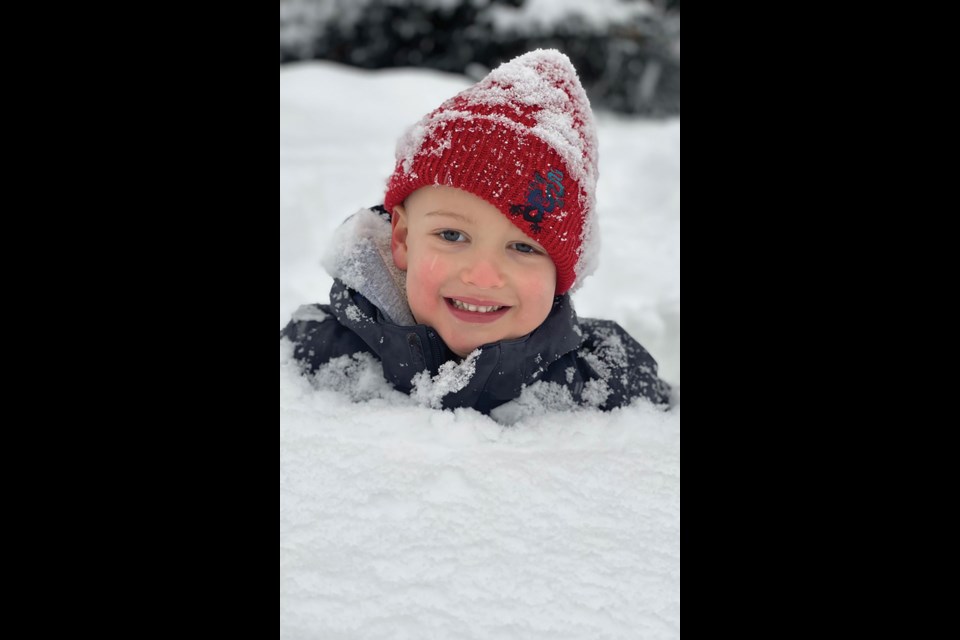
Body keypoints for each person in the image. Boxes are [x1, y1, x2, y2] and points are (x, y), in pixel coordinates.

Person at [280, 49, 672, 415]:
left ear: (562, 272)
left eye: (523, 246)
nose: (482, 275)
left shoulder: (610, 379)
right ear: (402, 239)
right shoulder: (314, 352)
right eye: (452, 236)